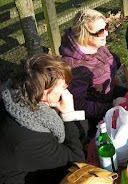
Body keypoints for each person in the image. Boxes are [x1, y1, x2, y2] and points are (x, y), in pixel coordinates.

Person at [0, 53, 87, 184]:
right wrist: (69, 114)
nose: (67, 90)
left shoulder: (13, 96)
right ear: (44, 95)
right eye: (63, 87)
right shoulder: (31, 138)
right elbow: (76, 163)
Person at [59, 9, 127, 132]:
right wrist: (111, 107)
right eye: (100, 31)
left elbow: (106, 58)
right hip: (97, 118)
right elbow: (79, 104)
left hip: (110, 95)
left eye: (106, 27)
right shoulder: (74, 67)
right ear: (83, 34)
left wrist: (115, 62)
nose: (106, 33)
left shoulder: (94, 44)